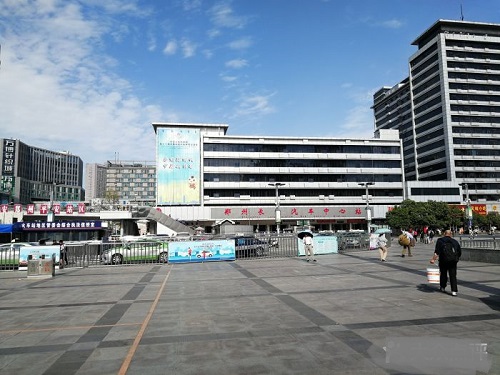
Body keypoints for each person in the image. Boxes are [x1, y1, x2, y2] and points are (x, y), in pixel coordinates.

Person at [430, 229, 462, 296]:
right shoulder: (455, 242)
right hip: (453, 261)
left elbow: (437, 252)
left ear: (444, 233)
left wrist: (433, 259)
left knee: (443, 274)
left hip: (443, 260)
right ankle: (454, 291)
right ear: (451, 234)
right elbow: (459, 252)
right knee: (453, 276)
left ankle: (442, 287)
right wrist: (455, 258)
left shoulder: (440, 240)